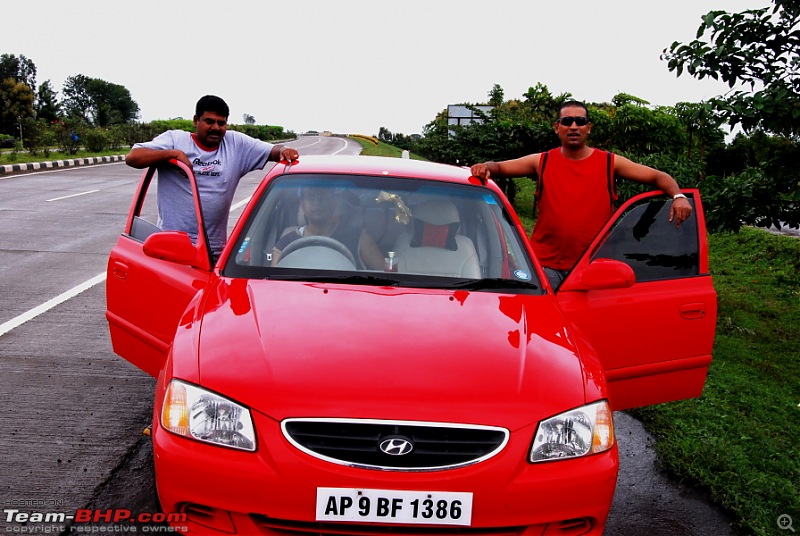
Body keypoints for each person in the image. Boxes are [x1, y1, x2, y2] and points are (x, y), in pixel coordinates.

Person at [470, 100, 692, 287]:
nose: (574, 126)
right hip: (545, 266)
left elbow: (657, 176)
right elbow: (499, 167)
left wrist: (678, 196)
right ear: (557, 127)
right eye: (567, 121)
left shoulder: (609, 163)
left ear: (589, 128)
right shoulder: (543, 161)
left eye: (580, 121)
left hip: (593, 267)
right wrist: (484, 167)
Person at [125, 95, 299, 261]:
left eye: (221, 123)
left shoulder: (236, 144)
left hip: (213, 252)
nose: (216, 127)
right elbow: (133, 157)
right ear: (196, 120)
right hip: (171, 247)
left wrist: (283, 150)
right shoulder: (175, 140)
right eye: (209, 121)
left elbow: (272, 151)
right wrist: (173, 154)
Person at [271, 186, 385, 270]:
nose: (317, 202)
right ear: (302, 204)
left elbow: (388, 280)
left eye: (322, 196)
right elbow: (273, 285)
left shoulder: (360, 239)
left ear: (334, 202)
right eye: (311, 197)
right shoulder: (285, 244)